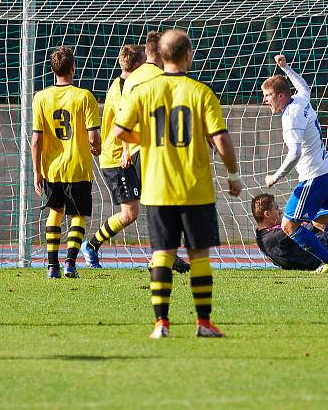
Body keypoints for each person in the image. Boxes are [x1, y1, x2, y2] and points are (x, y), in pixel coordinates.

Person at [113, 29, 242, 339]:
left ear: (157, 55)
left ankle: (161, 324)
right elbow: (220, 138)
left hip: (157, 187)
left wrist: (145, 138)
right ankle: (204, 323)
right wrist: (233, 174)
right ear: (188, 55)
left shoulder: (143, 91)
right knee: (199, 255)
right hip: (195, 188)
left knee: (162, 253)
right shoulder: (201, 92)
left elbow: (119, 131)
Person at [261, 55, 328, 273]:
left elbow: (294, 152)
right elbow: (303, 86)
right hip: (325, 171)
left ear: (281, 95)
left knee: (288, 225)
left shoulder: (290, 117)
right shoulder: (300, 99)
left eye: (268, 95)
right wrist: (286, 68)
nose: (265, 100)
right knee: (322, 223)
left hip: (312, 176)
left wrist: (276, 177)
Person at [119, 31, 189, 273]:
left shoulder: (130, 79)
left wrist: (126, 150)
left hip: (136, 150)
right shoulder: (165, 76)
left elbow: (125, 117)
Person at [31, 46, 100, 279]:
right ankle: (70, 263)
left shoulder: (40, 98)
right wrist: (96, 147)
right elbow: (93, 136)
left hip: (52, 168)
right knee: (78, 215)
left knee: (55, 212)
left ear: (52, 70)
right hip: (78, 167)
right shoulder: (85, 97)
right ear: (73, 68)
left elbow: (36, 140)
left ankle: (52, 267)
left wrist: (37, 171)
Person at [81, 45, 145, 268]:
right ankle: (91, 245)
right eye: (145, 62)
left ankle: (166, 252)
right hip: (118, 157)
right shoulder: (120, 89)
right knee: (129, 214)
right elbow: (123, 123)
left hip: (129, 153)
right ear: (137, 65)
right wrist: (127, 150)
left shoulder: (130, 85)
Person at [251, 193, 328, 271]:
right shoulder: (273, 237)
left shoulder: (263, 235)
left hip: (324, 246)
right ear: (267, 214)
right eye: (276, 208)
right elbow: (313, 224)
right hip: (327, 256)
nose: (280, 211)